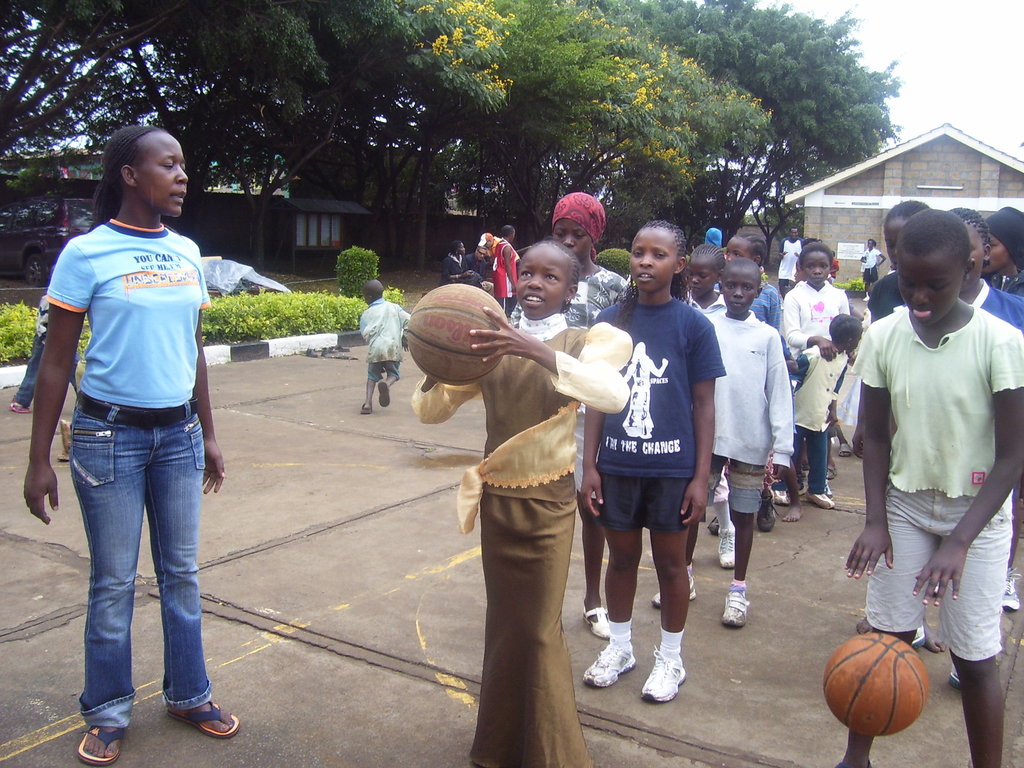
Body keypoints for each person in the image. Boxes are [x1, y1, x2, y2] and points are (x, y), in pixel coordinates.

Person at [22, 125, 238, 766]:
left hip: (179, 437)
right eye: (167, 164)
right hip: (106, 436)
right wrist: (38, 460)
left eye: (183, 165)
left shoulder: (188, 252)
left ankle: (189, 693)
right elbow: (57, 362)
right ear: (129, 174)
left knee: (182, 575)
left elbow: (192, 349)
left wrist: (210, 432)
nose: (181, 176)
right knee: (113, 582)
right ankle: (109, 709)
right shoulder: (85, 254)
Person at [412, 239, 631, 768]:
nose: (534, 283)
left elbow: (610, 394)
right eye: (527, 273)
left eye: (550, 276)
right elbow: (430, 411)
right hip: (498, 505)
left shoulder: (590, 339)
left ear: (572, 288)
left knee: (537, 630)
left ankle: (554, 755)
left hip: (549, 505)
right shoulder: (485, 341)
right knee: (505, 628)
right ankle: (500, 746)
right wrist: (434, 355)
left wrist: (531, 347)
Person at [843, 210, 1024, 768]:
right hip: (906, 506)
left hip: (979, 518)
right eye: (908, 281)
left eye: (936, 284)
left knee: (975, 659)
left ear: (970, 266)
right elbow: (874, 435)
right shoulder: (886, 336)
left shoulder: (1000, 342)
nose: (919, 296)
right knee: (885, 640)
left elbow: (1013, 454)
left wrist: (961, 541)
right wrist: (876, 519)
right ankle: (856, 758)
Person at [581, 220, 724, 703]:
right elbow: (596, 398)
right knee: (621, 559)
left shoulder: (694, 325)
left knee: (669, 567)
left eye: (658, 254)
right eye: (638, 252)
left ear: (679, 265)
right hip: (618, 467)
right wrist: (591, 465)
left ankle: (671, 659)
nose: (645, 261)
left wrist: (700, 478)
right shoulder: (609, 321)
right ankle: (620, 648)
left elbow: (704, 406)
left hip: (672, 471)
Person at [544, 191, 628, 640]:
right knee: (550, 508)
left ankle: (593, 599)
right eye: (562, 233)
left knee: (593, 508)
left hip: (593, 415)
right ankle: (545, 597)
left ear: (595, 237)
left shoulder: (614, 286)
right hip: (548, 412)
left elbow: (622, 350)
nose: (569, 242)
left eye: (579, 234)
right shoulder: (542, 275)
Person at [704, 257, 793, 627]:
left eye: (748, 288)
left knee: (744, 515)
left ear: (759, 291)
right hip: (706, 439)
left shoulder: (767, 336)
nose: (739, 293)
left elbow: (780, 392)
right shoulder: (705, 325)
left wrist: (783, 446)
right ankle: (684, 576)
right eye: (732, 286)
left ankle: (738, 589)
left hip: (750, 440)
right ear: (720, 284)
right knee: (689, 510)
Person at [953, 207, 1024, 619]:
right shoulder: (915, 316)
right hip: (933, 456)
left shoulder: (1012, 312)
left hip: (999, 451)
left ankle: (997, 585)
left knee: (1001, 517)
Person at [790, 315, 862, 514]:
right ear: (850, 340)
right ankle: (780, 487)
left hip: (821, 416)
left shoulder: (844, 358)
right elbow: (794, 376)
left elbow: (836, 384)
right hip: (800, 414)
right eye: (858, 338)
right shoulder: (813, 356)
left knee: (819, 453)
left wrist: (832, 409)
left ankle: (816, 489)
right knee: (792, 453)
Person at [782, 241, 851, 360]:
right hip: (804, 362)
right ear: (801, 267)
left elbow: (845, 330)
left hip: (834, 362)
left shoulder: (839, 296)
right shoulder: (794, 297)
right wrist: (818, 341)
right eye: (811, 266)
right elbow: (792, 336)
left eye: (823, 266)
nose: (817, 271)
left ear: (831, 268)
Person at [866, 200, 930, 322]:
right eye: (891, 245)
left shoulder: (946, 290)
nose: (896, 252)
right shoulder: (881, 290)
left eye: (906, 243)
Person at [358, 279, 410, 415]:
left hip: (376, 350)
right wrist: (404, 336)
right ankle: (387, 384)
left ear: (368, 297)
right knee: (393, 374)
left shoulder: (366, 314)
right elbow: (409, 320)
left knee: (371, 376)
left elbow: (365, 334)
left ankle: (368, 404)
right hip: (393, 347)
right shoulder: (394, 307)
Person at [985, 206, 1024, 296]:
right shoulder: (975, 284)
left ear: (1012, 247)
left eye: (991, 245)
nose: (984, 251)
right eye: (982, 244)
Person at [482, 225, 520, 316]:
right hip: (505, 277)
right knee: (503, 305)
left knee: (503, 301)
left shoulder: (499, 244)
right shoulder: (506, 247)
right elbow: (507, 265)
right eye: (514, 234)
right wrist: (513, 282)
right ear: (511, 234)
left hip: (499, 275)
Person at [688, 244, 726, 313]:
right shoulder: (681, 301)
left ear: (719, 276)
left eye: (702, 276)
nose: (694, 280)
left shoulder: (727, 308)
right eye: (691, 274)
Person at [777, 226, 802, 296]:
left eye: (795, 232)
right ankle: (784, 300)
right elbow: (779, 255)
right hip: (785, 269)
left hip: (795, 271)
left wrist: (799, 256)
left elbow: (805, 256)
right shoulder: (784, 241)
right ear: (790, 233)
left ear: (798, 233)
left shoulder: (801, 242)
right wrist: (782, 255)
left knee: (796, 288)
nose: (794, 234)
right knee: (782, 286)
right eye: (792, 232)